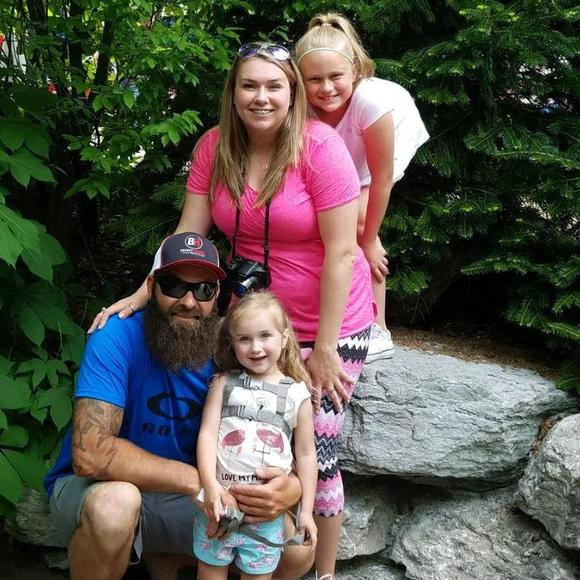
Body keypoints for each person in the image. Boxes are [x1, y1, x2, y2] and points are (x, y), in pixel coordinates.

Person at [89, 42, 375, 580]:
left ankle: (322, 570)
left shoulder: (321, 149)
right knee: (233, 425)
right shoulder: (214, 147)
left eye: (274, 86)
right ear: (233, 93)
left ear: (293, 94)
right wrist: (145, 291)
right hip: (252, 319)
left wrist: (324, 348)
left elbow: (342, 252)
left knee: (318, 441)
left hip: (329, 320)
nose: (261, 97)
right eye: (249, 85)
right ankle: (225, 551)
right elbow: (188, 230)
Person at [44, 232, 309, 580]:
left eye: (204, 290)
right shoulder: (116, 336)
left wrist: (291, 487)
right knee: (116, 506)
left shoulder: (230, 347)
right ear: (151, 286)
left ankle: (165, 559)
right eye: (174, 285)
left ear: (217, 294)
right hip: (104, 487)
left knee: (295, 550)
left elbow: (278, 426)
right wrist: (197, 481)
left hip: (188, 498)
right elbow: (90, 455)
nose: (188, 301)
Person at [295, 12, 430, 363]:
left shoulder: (373, 104)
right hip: (340, 149)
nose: (326, 88)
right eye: (314, 79)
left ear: (355, 71)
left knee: (356, 222)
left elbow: (381, 178)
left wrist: (369, 240)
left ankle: (378, 327)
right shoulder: (302, 108)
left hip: (384, 137)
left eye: (335, 76)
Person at [195, 292, 317, 580]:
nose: (256, 347)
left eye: (265, 336)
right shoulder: (222, 384)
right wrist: (210, 486)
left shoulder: (297, 394)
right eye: (244, 339)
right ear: (232, 343)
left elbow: (306, 454)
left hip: (265, 516)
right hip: (220, 504)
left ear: (284, 338)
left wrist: (306, 512)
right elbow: (207, 434)